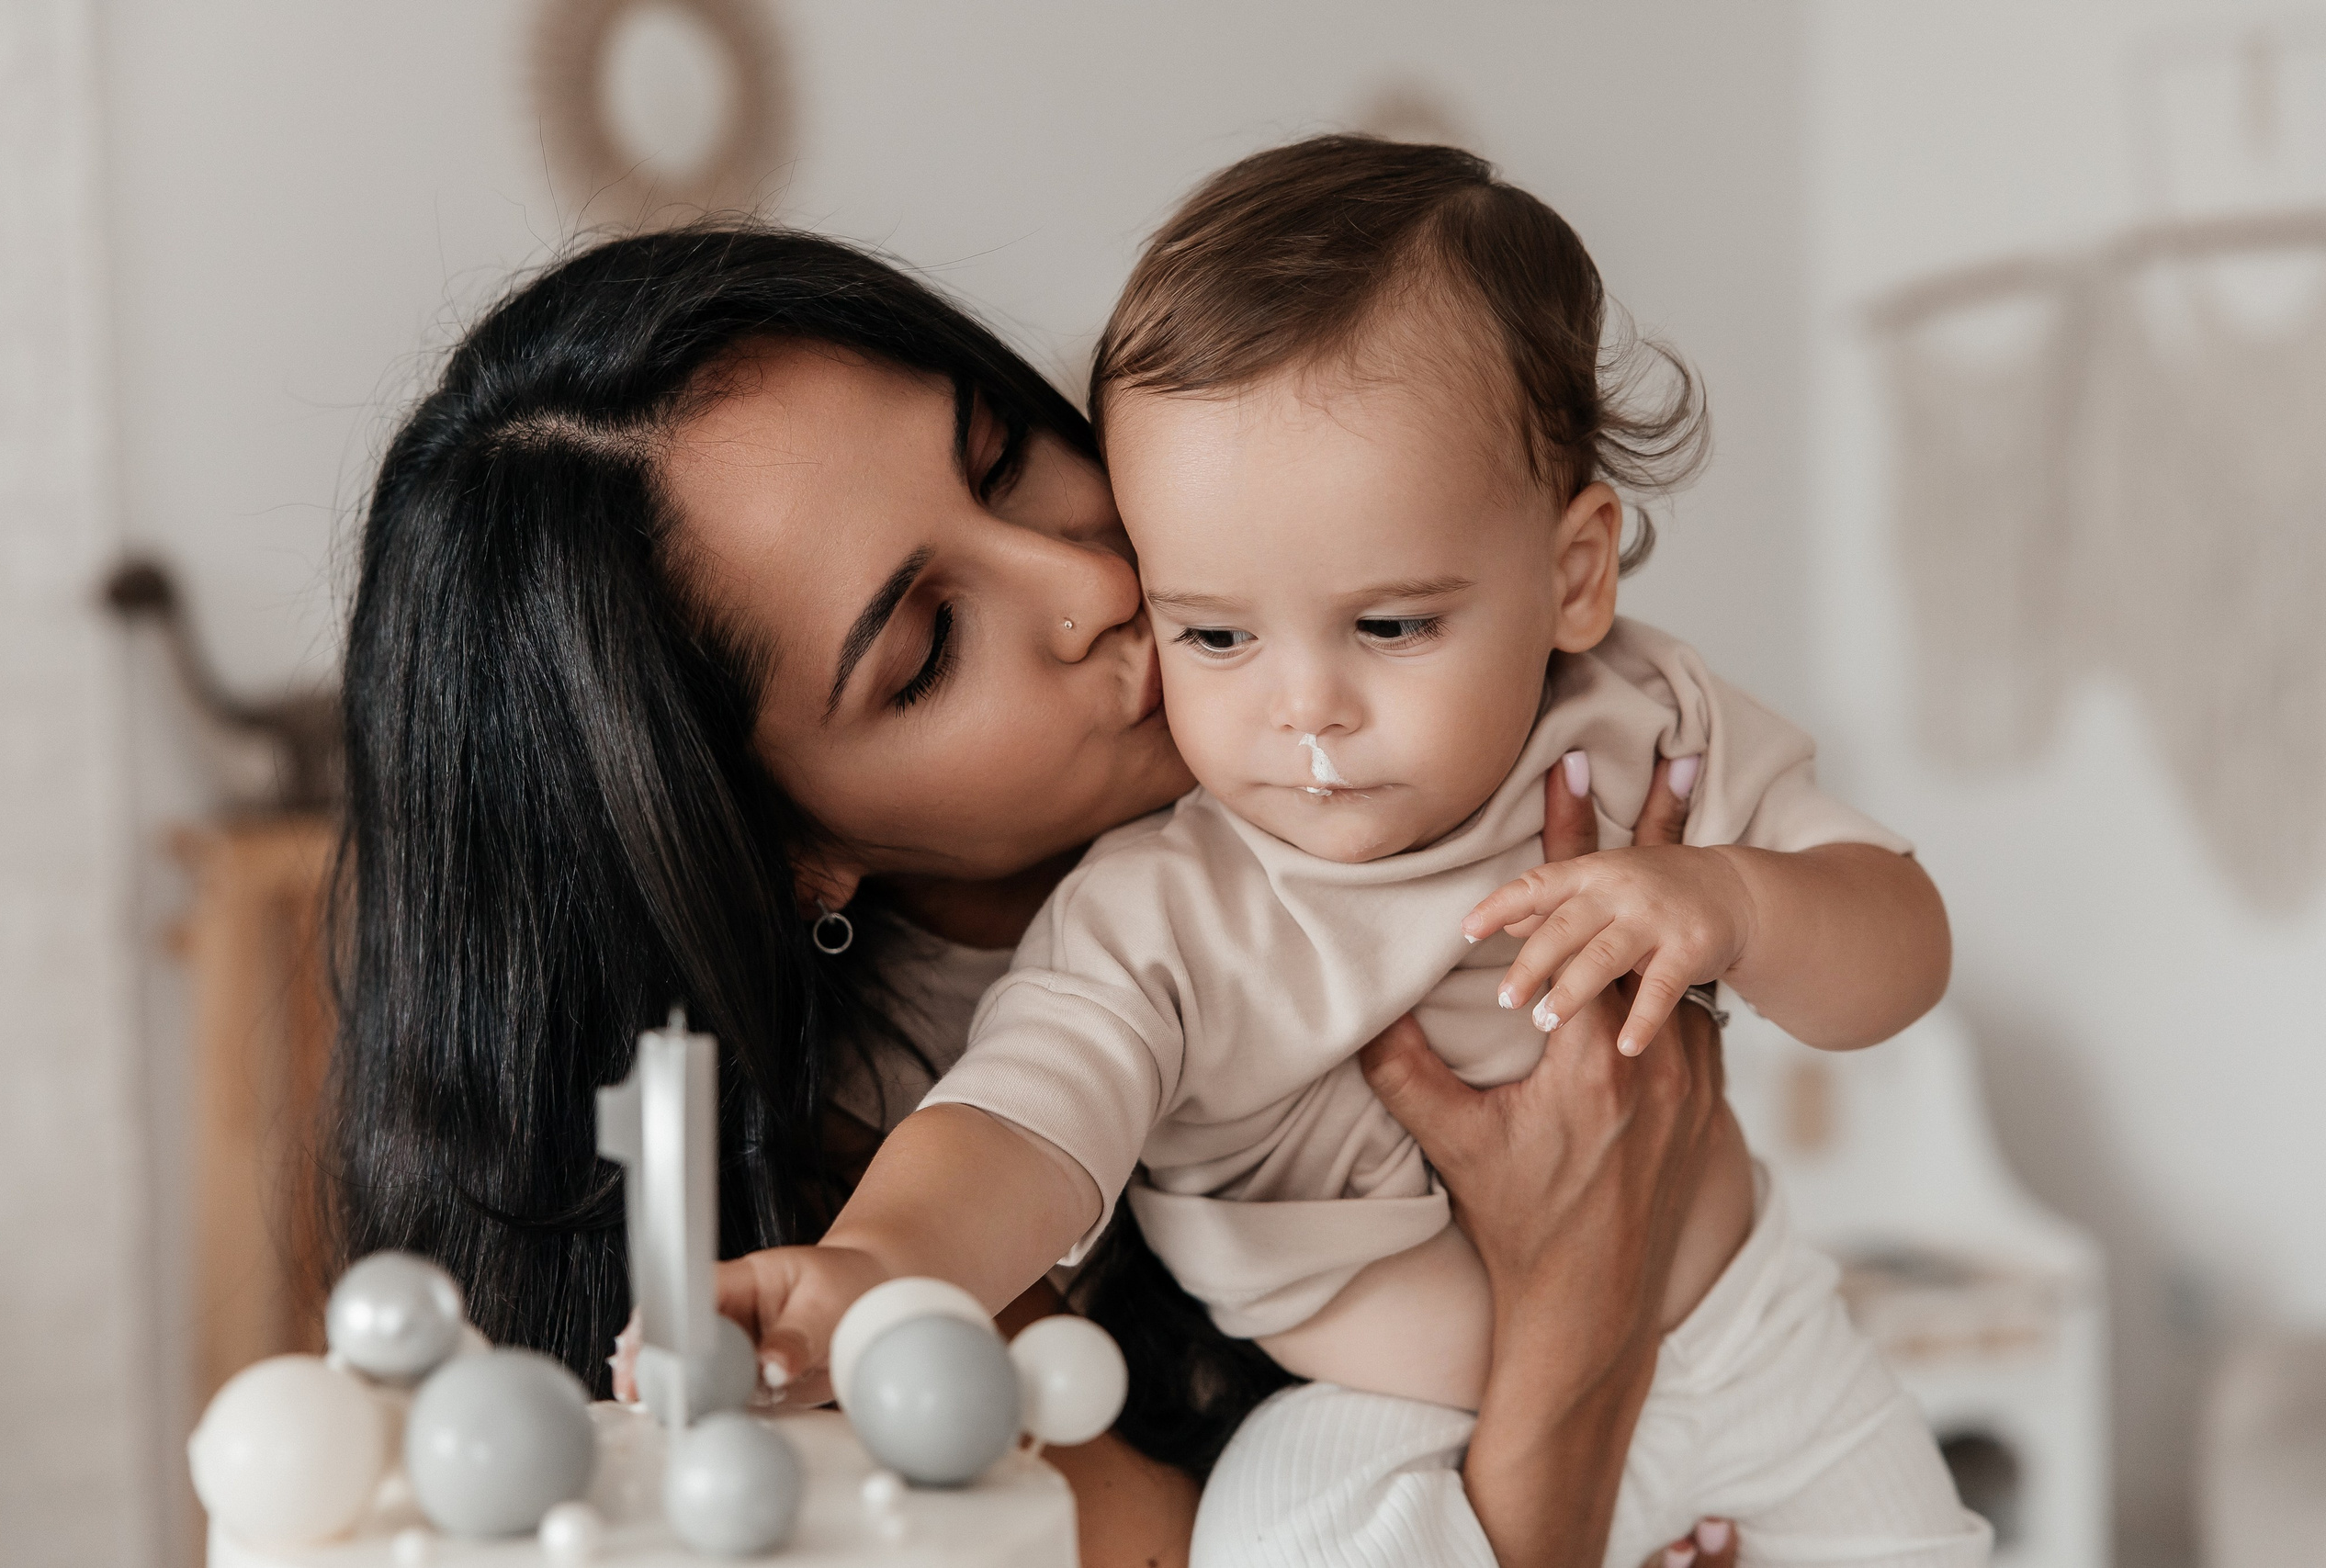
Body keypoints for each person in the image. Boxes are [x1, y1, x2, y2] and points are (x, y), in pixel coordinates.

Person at [334, 220, 1745, 1568]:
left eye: (1004, 462)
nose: (1088, 583)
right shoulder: (875, 1268)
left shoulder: (1395, 729)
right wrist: (1584, 1298)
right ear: (783, 850)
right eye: (932, 645)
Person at [725, 139, 1988, 1567]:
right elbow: (1021, 1122)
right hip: (1388, 1426)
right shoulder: (1164, 910)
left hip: (1754, 1343)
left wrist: (1742, 903)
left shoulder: (1644, 725)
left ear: (1574, 576)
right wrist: (879, 1270)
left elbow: (1902, 948)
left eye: (1389, 626)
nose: (1303, 705)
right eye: (1213, 633)